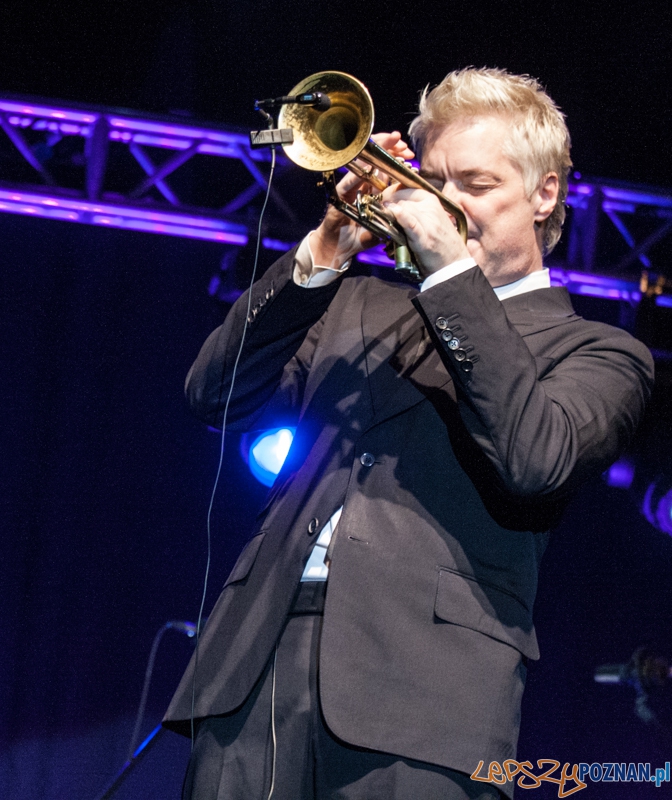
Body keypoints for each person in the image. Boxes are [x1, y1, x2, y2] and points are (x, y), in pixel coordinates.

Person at [164, 68, 654, 799]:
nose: (450, 202)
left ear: (545, 194)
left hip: (425, 698)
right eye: (437, 181)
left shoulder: (601, 352)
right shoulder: (355, 301)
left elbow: (534, 460)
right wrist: (325, 250)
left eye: (478, 183)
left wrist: (449, 270)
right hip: (255, 666)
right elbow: (214, 394)